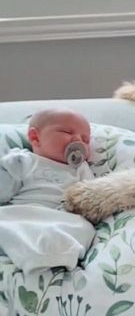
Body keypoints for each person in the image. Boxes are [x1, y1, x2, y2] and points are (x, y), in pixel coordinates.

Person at [0, 108, 96, 274]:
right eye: (67, 132)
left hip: (61, 217)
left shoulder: (80, 169)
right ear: (35, 137)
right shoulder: (23, 160)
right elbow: (4, 192)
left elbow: (91, 194)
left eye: (85, 139)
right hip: (25, 213)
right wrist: (6, 170)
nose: (78, 140)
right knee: (7, 222)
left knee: (84, 228)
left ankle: (56, 255)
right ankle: (35, 255)